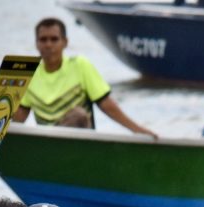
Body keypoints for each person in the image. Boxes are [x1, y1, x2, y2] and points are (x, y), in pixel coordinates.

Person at [13, 17, 157, 138]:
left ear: (65, 42)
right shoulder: (28, 73)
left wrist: (137, 130)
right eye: (43, 40)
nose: (48, 45)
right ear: (36, 44)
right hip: (48, 143)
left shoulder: (80, 66)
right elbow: (19, 117)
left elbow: (107, 105)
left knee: (79, 115)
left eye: (54, 39)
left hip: (79, 141)